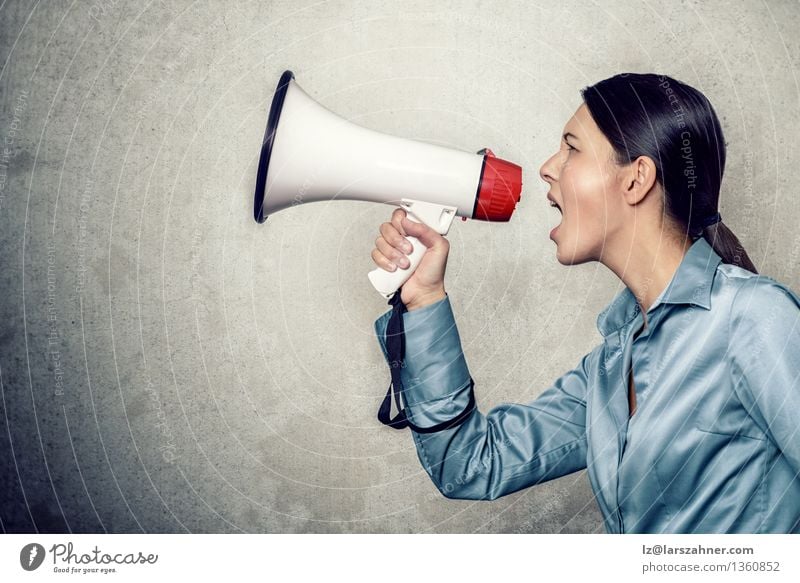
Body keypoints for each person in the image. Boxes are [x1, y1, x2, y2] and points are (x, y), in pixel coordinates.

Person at [370, 73, 800, 534]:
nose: (546, 167)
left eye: (572, 148)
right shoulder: (610, 370)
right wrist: (424, 300)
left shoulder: (753, 318)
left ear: (636, 180)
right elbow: (469, 465)